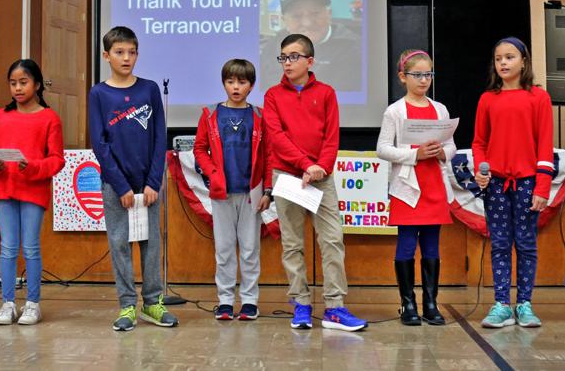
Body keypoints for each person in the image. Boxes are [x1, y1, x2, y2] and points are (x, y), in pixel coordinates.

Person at [263, 33, 367, 332]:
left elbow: (331, 137)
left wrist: (319, 167)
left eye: (294, 57)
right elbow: (277, 137)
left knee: (332, 240)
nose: (287, 62)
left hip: (321, 177)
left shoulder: (326, 93)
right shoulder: (272, 95)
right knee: (292, 244)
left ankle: (335, 307)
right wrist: (305, 164)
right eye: (283, 57)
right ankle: (301, 304)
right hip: (287, 176)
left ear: (310, 61)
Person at [89, 26, 178, 331]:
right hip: (116, 186)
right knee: (120, 244)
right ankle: (127, 305)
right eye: (119, 52)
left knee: (150, 244)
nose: (126, 58)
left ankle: (152, 303)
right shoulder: (99, 94)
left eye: (132, 52)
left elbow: (159, 138)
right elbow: (99, 144)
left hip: (148, 184)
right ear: (106, 56)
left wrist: (153, 182)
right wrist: (121, 186)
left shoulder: (149, 89)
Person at [473, 37, 553, 329]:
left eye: (509, 57)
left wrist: (542, 187)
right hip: (496, 184)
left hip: (528, 183)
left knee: (526, 243)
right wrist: (481, 170)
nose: (503, 63)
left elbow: (545, 146)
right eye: (498, 59)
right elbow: (479, 143)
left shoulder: (539, 98)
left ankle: (525, 304)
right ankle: (501, 305)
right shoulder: (487, 99)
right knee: (500, 244)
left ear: (523, 61)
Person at [376, 50, 456, 326]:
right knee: (407, 244)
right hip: (408, 187)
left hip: (434, 185)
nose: (424, 80)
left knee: (432, 246)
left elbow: (451, 145)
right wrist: (414, 154)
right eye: (417, 75)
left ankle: (430, 304)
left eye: (428, 74)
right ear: (403, 77)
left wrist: (442, 152)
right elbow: (382, 148)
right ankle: (408, 303)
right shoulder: (395, 111)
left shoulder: (440, 109)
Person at [0, 59, 65, 325]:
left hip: (33, 190)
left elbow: (57, 160)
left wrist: (33, 167)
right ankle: (7, 303)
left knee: (30, 247)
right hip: (5, 189)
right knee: (8, 248)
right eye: (13, 83)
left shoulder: (49, 118)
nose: (17, 88)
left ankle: (32, 304)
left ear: (37, 84)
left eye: (23, 82)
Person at [193, 59, 272, 321]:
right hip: (222, 194)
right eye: (230, 82)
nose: (235, 87)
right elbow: (199, 149)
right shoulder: (210, 114)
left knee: (250, 250)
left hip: (251, 194)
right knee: (224, 249)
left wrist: (267, 190)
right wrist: (213, 173)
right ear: (223, 83)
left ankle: (249, 301)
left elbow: (269, 155)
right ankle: (225, 301)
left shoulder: (260, 116)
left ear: (251, 85)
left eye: (242, 82)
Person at [260, 0, 362, 92]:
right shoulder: (274, 45)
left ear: (329, 14)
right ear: (285, 21)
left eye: (315, 13)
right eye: (296, 16)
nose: (307, 23)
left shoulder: (356, 49)